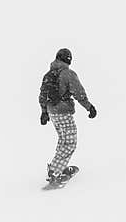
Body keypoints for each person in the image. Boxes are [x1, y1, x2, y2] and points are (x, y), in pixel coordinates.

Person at [39, 48, 97, 183]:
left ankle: (56, 167)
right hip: (63, 112)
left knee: (63, 140)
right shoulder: (68, 74)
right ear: (68, 60)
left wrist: (44, 112)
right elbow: (79, 93)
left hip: (52, 113)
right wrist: (89, 107)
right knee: (70, 142)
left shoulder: (49, 74)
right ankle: (56, 173)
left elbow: (42, 95)